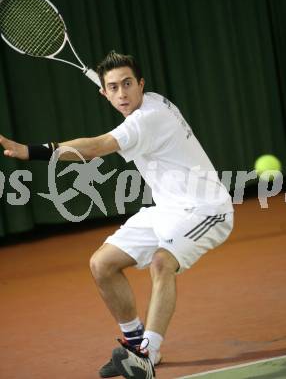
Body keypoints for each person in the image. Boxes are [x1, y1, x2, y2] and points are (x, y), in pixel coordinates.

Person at [0, 51, 234, 379]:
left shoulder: (147, 118)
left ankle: (147, 354)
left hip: (208, 210)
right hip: (167, 209)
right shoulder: (149, 103)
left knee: (162, 262)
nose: (122, 93)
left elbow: (95, 148)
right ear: (104, 92)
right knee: (102, 264)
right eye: (113, 87)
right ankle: (134, 341)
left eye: (128, 84)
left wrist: (32, 151)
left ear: (141, 84)